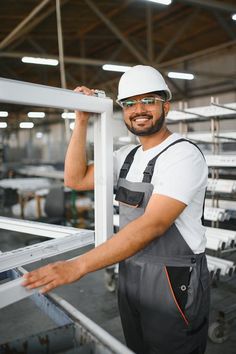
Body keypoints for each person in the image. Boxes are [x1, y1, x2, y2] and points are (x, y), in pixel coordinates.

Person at [23, 65, 210, 354]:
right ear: (122, 110)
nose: (139, 110)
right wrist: (81, 121)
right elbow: (76, 178)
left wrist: (78, 265)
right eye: (130, 103)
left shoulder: (182, 154)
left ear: (166, 106)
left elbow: (154, 224)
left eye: (148, 100)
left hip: (174, 280)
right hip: (131, 270)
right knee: (135, 347)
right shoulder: (126, 156)